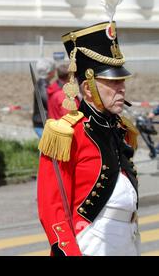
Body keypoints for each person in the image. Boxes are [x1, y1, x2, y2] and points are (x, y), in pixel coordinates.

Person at [37, 21, 140, 256]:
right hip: (91, 240)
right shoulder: (67, 134)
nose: (121, 88)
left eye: (122, 80)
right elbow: (52, 208)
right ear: (87, 88)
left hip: (128, 238)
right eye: (113, 82)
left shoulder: (120, 128)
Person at [32, 58, 55, 138]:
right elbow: (48, 102)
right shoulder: (43, 86)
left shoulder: (41, 83)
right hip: (42, 124)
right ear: (50, 72)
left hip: (40, 122)